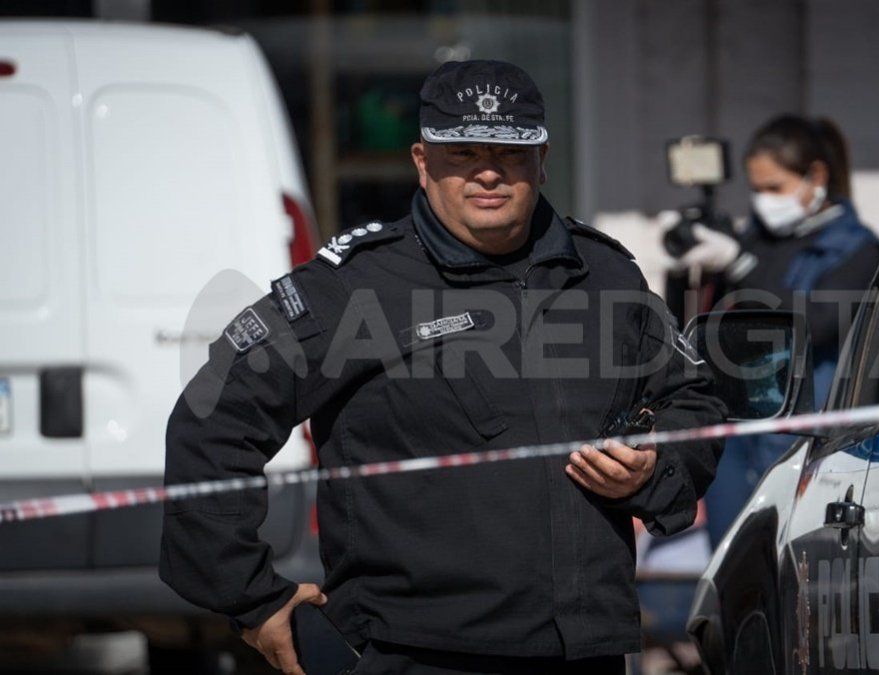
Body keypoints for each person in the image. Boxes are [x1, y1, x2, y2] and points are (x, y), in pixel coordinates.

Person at [159, 59, 726, 674]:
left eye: (509, 152)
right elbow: (213, 420)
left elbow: (692, 401)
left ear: (542, 159)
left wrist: (653, 469)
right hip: (413, 650)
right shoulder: (353, 287)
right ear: (423, 161)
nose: (488, 171)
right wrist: (251, 597)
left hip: (586, 649)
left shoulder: (605, 274)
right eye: (463, 152)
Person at [678, 114, 879, 544]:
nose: (764, 202)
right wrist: (688, 269)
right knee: (729, 556)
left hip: (802, 435)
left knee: (789, 558)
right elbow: (708, 326)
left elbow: (817, 323)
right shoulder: (755, 239)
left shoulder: (858, 249)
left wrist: (740, 265)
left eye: (774, 188)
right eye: (756, 190)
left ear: (815, 177)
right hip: (735, 429)